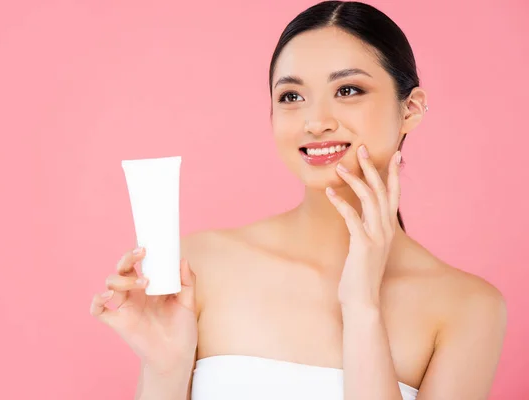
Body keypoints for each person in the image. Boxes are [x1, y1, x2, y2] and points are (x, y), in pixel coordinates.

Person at [90, 1, 507, 399]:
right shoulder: (200, 266)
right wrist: (165, 367)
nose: (316, 121)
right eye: (291, 96)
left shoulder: (468, 308)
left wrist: (362, 307)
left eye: (348, 90)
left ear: (411, 108)